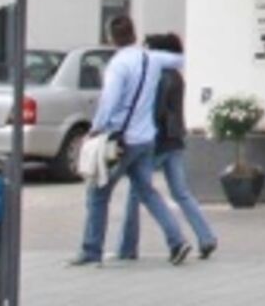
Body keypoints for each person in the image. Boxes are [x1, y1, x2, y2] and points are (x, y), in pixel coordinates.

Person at [68, 15, 191, 266]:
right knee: (148, 192)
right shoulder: (151, 58)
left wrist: (96, 128)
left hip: (121, 140)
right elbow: (181, 60)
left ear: (111, 38)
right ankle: (177, 241)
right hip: (146, 139)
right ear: (134, 34)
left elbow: (109, 101)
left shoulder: (118, 65)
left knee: (98, 193)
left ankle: (91, 250)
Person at [118, 33, 218, 263]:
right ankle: (206, 237)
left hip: (158, 141)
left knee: (136, 192)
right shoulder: (176, 76)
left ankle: (127, 247)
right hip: (175, 140)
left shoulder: (159, 77)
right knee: (181, 193)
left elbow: (155, 112)